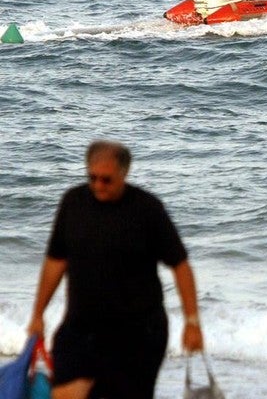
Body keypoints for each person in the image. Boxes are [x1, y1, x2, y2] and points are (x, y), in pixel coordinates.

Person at [27, 140, 204, 399]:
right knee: (64, 394)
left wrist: (192, 321)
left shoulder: (147, 209)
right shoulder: (73, 203)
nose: (98, 185)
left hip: (138, 334)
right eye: (92, 177)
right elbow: (56, 260)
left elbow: (180, 265)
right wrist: (37, 314)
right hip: (80, 329)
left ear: (124, 173)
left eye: (106, 180)